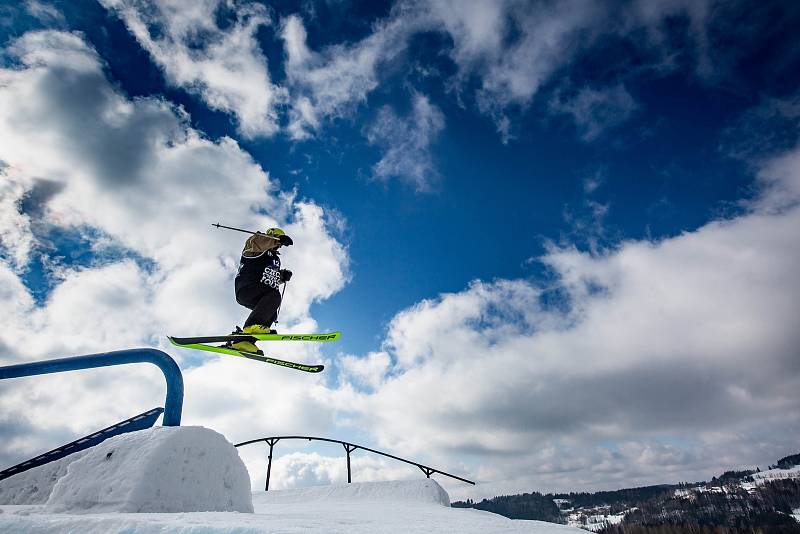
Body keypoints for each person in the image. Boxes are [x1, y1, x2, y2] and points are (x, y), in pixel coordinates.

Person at [228, 227, 293, 354]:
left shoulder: (274, 258)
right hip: (247, 287)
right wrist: (277, 239)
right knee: (274, 295)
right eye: (277, 243)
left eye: (280, 245)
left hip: (258, 291)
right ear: (271, 236)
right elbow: (259, 241)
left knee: (272, 313)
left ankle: (243, 342)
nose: (279, 246)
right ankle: (251, 327)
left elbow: (268, 277)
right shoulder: (254, 246)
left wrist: (282, 276)